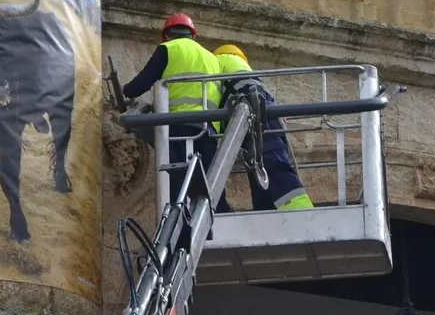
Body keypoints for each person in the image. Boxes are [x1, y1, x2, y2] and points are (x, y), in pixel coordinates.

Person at [122, 14, 232, 212]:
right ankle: (222, 214)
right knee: (210, 182)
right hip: (207, 129)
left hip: (178, 125)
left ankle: (177, 225)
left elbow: (143, 82)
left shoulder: (168, 49)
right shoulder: (212, 58)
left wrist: (126, 91)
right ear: (193, 35)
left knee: (177, 179)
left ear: (167, 35)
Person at [213, 44, 314, 211]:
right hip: (264, 116)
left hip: (251, 117)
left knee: (272, 168)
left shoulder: (217, 64)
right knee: (263, 172)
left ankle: (303, 214)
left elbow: (214, 104)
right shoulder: (248, 71)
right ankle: (274, 215)